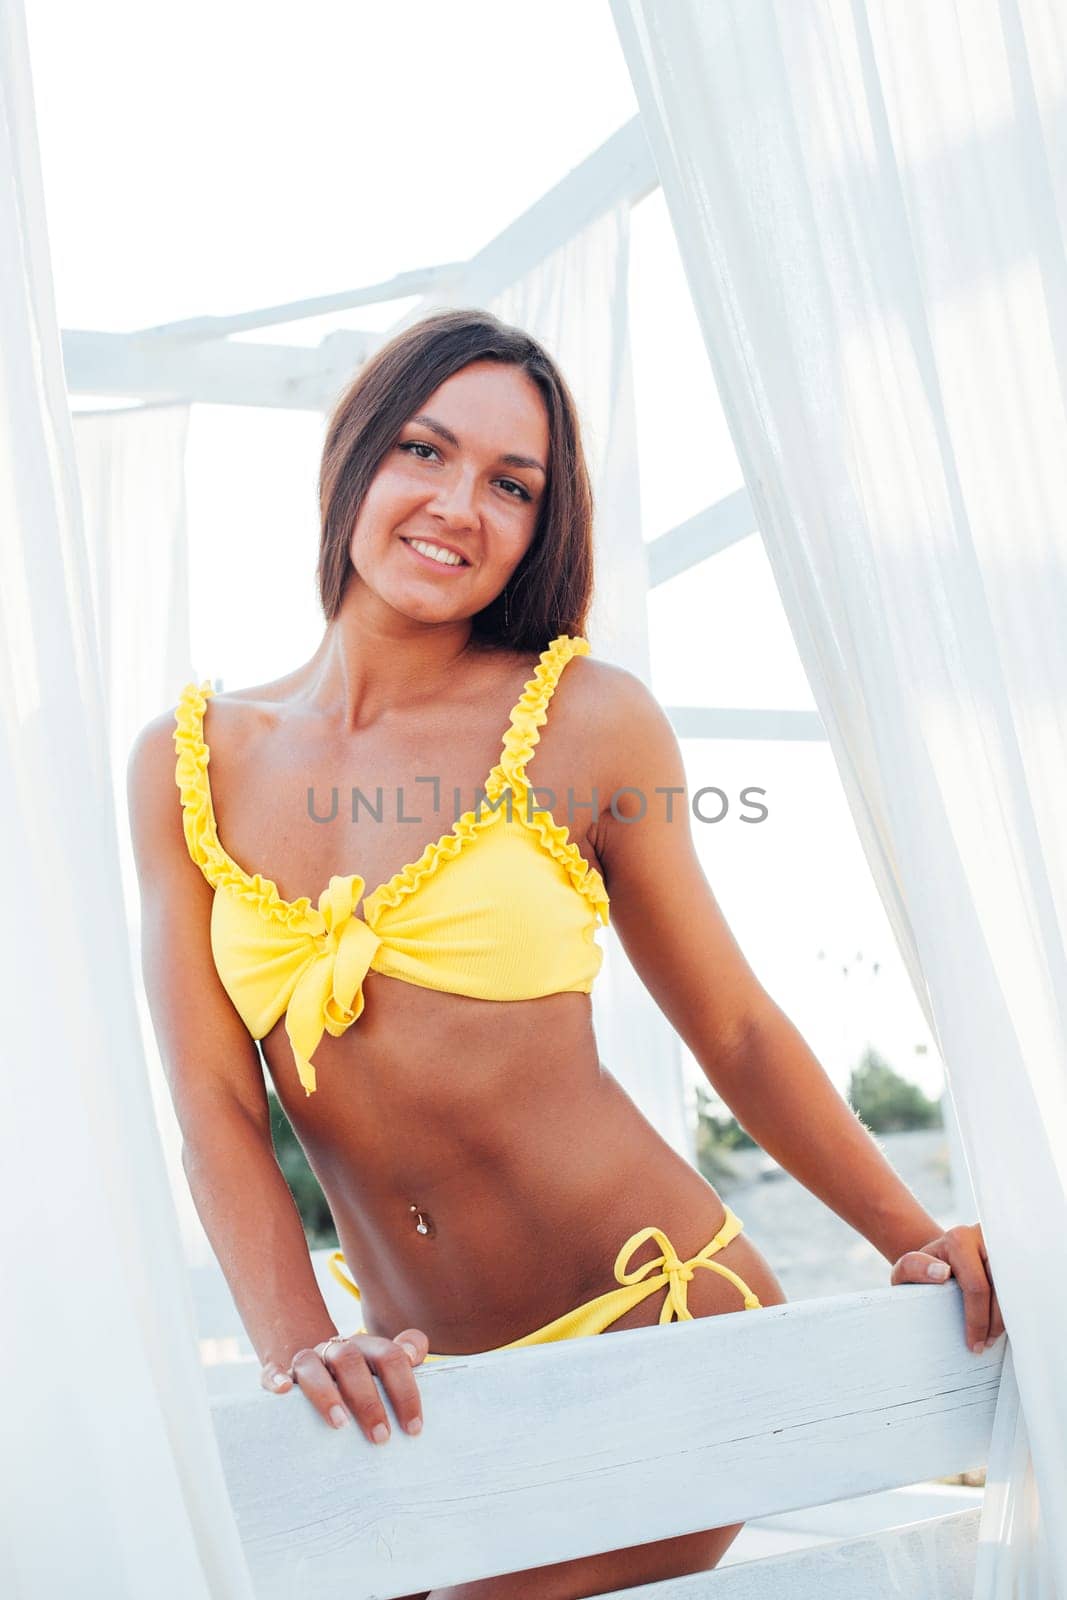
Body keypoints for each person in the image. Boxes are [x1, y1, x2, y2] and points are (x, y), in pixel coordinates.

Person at [127, 307, 1002, 1599]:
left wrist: (908, 1232)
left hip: (661, 1333)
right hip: (428, 1391)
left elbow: (738, 1029)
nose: (458, 504)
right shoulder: (188, 761)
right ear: (353, 459)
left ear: (544, 525)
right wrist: (301, 1345)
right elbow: (212, 1109)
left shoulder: (585, 723)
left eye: (512, 484)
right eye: (424, 451)